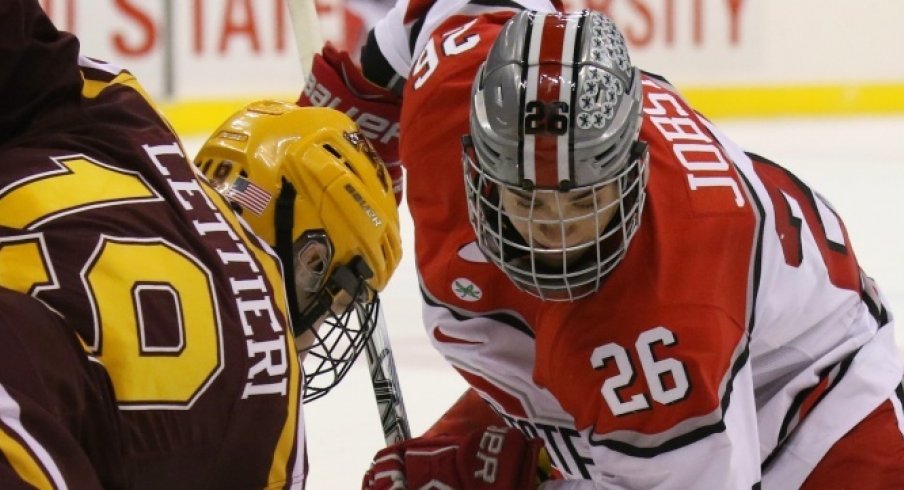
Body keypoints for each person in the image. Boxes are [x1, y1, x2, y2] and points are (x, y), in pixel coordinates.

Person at [297, 3, 904, 488]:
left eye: (584, 202)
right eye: (528, 200)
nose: (554, 236)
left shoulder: (664, 325)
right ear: (475, 165)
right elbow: (429, 15)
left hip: (818, 413)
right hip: (631, 399)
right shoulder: (453, 91)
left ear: (632, 170)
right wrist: (350, 117)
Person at [0, 0, 401, 487]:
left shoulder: (126, 116)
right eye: (335, 298)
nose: (316, 336)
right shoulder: (267, 423)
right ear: (312, 258)